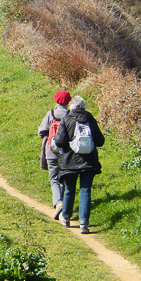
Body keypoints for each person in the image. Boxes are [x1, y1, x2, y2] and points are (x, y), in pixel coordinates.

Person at [53, 95, 105, 234]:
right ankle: (84, 223)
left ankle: (66, 217)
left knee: (69, 189)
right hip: (89, 162)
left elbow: (59, 142)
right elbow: (100, 141)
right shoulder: (90, 119)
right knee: (85, 191)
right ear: (83, 106)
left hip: (69, 162)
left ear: (72, 106)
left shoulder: (67, 119)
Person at [38, 90, 71, 221]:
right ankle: (62, 202)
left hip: (51, 150)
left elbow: (41, 132)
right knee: (63, 177)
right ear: (69, 102)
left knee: (53, 178)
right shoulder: (70, 115)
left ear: (56, 100)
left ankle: (59, 203)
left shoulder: (51, 114)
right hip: (66, 152)